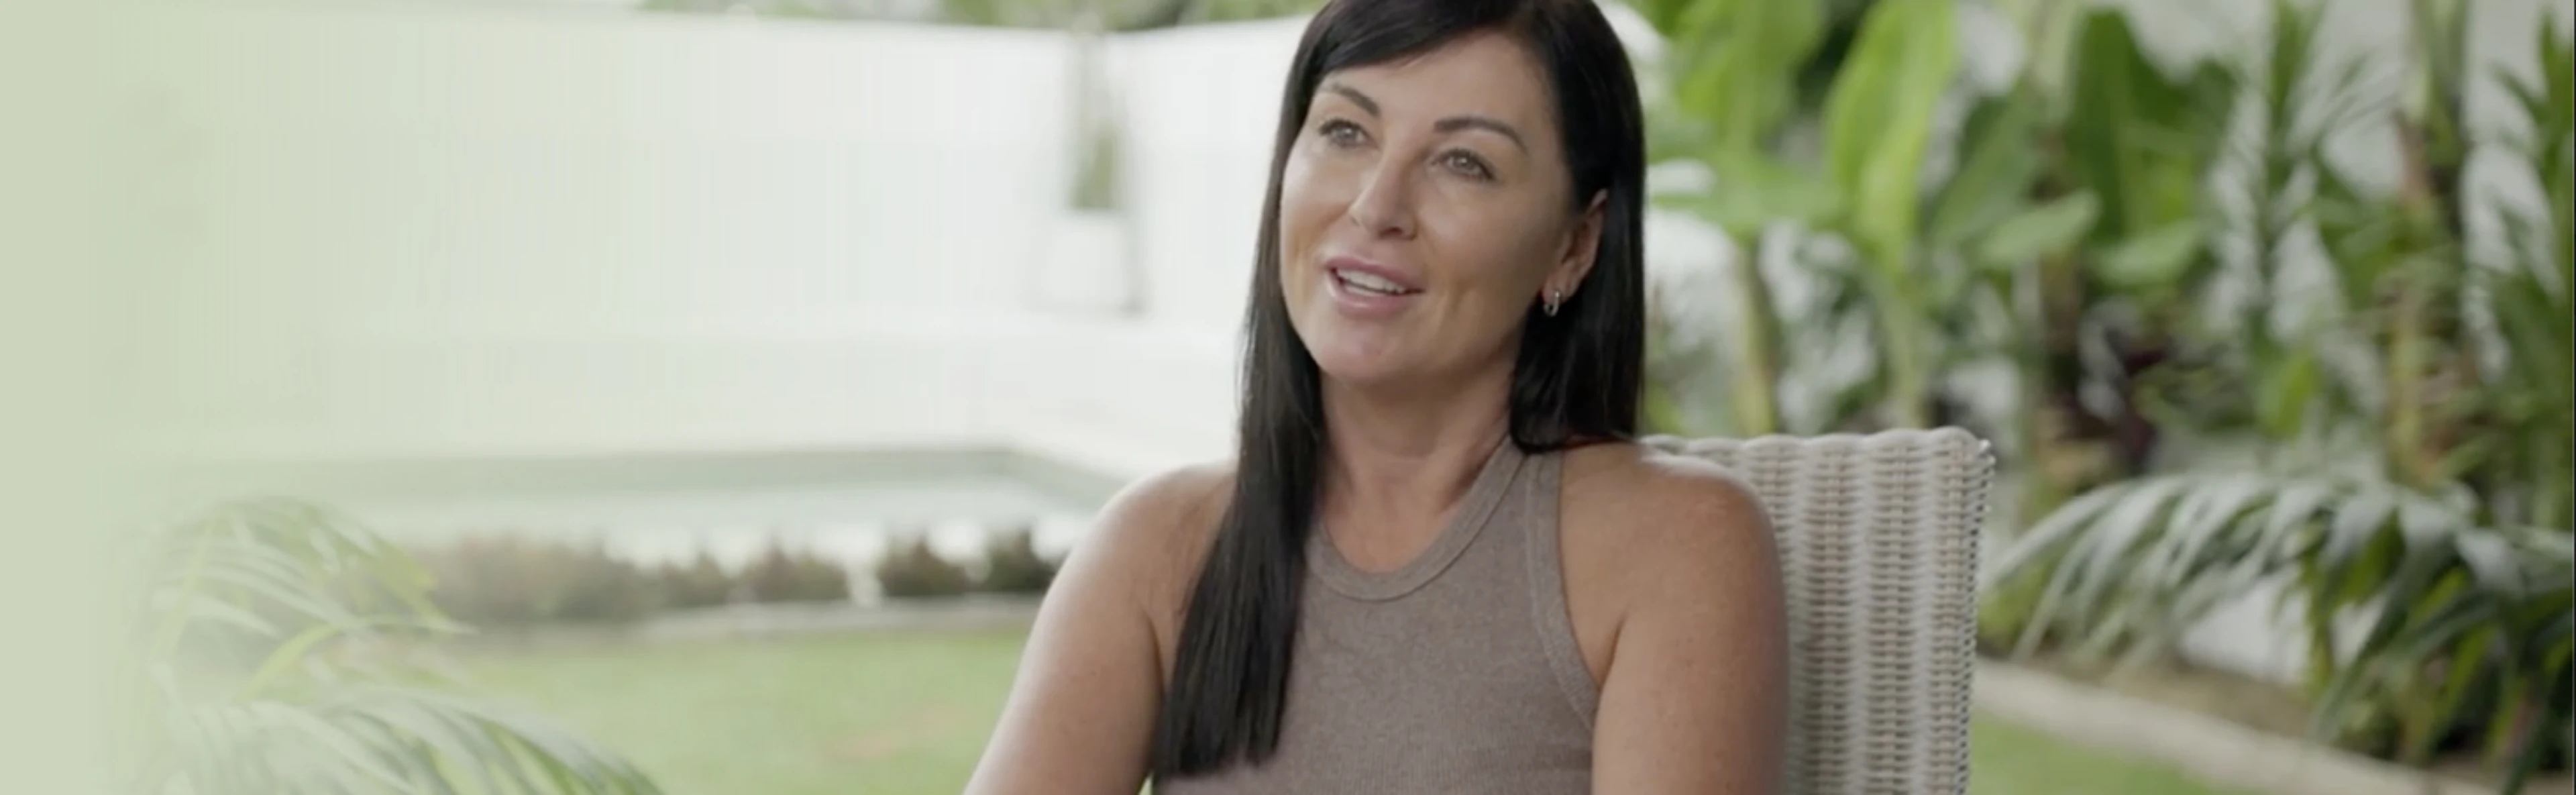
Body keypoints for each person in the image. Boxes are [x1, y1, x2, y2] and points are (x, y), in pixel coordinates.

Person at [964, 0, 1786, 791]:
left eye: (1464, 163)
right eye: (1346, 132)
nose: (1375, 207)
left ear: (1574, 245)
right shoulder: (1156, 550)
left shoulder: (1675, 546)